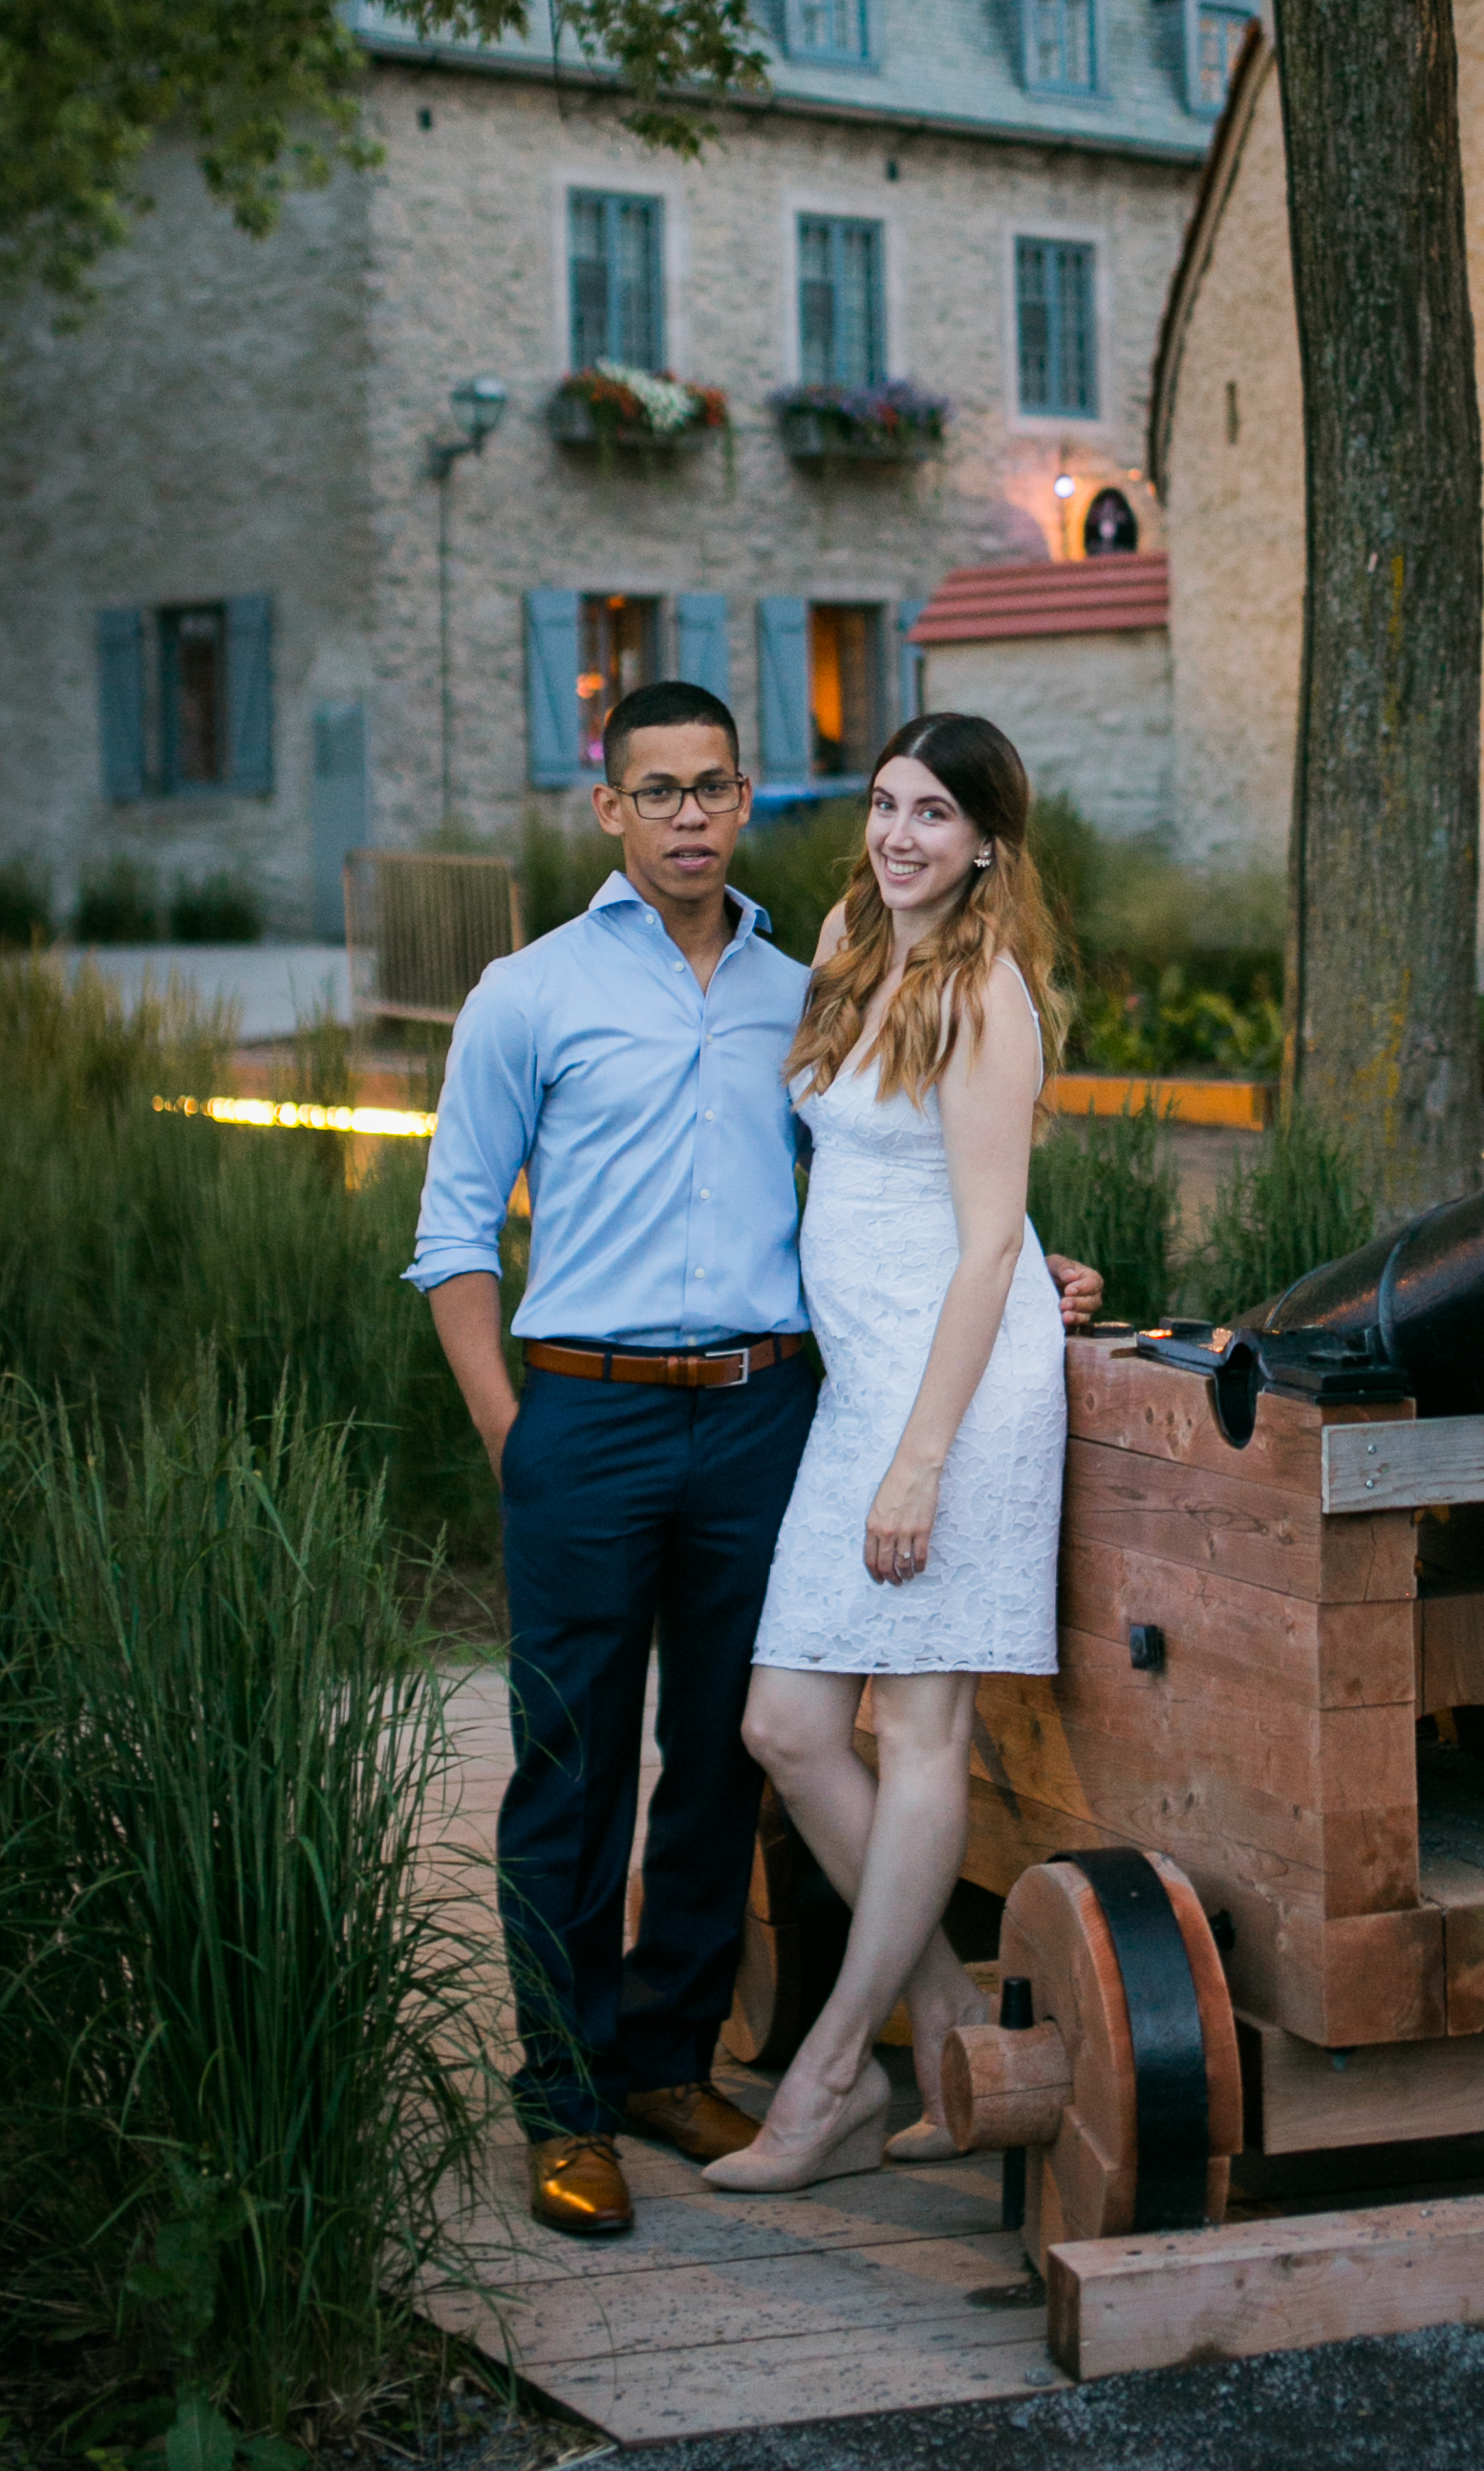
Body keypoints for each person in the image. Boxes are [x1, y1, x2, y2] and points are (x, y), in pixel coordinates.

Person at [411, 680, 1101, 2241]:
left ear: (743, 798)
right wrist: (514, 1437)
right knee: (574, 1765)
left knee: (734, 1754)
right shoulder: (527, 991)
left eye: (711, 787)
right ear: (610, 808)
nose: (685, 816)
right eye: (653, 791)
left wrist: (1028, 1267)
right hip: (582, 1414)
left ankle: (670, 2058)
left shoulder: (813, 983)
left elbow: (929, 1179)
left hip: (766, 1410)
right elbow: (451, 1235)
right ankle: (565, 2098)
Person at [702, 713, 1070, 2193]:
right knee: (786, 1726)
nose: (899, 834)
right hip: (864, 1389)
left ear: (987, 840)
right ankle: (941, 2019)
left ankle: (832, 2073)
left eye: (933, 814)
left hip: (957, 1402)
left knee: (920, 1732)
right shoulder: (861, 940)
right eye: (883, 804)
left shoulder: (988, 992)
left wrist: (919, 1460)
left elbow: (987, 1250)